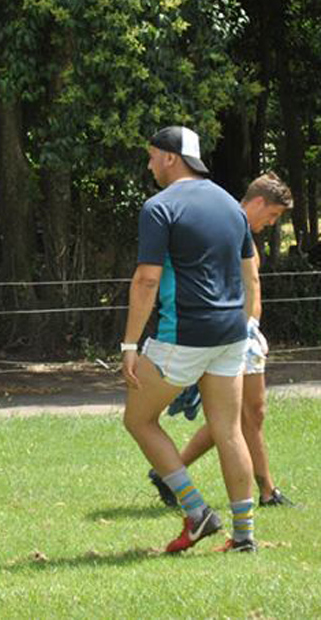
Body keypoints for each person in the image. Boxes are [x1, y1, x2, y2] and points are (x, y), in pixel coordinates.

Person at [120, 126, 258, 554]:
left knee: (139, 420)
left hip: (182, 335)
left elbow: (147, 280)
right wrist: (246, 325)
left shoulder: (159, 207)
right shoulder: (231, 206)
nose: (149, 165)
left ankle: (197, 512)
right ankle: (244, 537)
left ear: (170, 157)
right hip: (231, 333)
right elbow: (249, 274)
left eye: (152, 156)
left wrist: (129, 345)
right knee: (229, 431)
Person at [150, 172, 294, 507]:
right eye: (272, 214)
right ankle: (267, 492)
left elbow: (249, 284)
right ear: (258, 202)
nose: (272, 223)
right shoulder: (229, 228)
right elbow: (241, 284)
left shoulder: (232, 229)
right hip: (233, 333)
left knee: (238, 416)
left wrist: (252, 325)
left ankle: (170, 472)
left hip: (238, 332)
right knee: (248, 415)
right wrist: (245, 328)